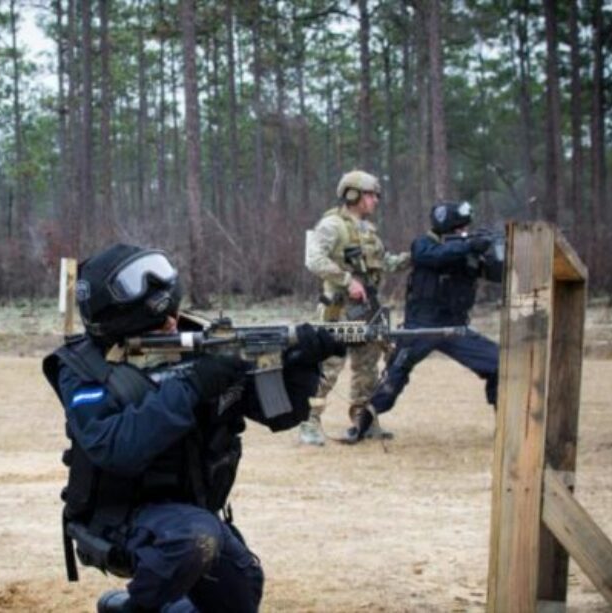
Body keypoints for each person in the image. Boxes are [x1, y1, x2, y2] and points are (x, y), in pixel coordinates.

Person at [42, 244, 344, 613]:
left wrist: (301, 364)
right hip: (120, 518)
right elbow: (116, 447)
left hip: (191, 516)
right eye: (160, 323)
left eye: (174, 314)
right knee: (194, 537)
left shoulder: (202, 345)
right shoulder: (83, 369)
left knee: (241, 585)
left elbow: (277, 414)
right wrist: (193, 386)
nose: (173, 326)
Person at [344, 201, 501, 443]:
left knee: (499, 365)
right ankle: (361, 426)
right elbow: (431, 256)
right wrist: (469, 244)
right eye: (459, 230)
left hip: (453, 328)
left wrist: (497, 252)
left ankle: (506, 427)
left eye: (465, 230)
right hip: (421, 327)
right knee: (395, 376)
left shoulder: (467, 252)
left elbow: (496, 273)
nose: (463, 234)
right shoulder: (425, 245)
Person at [301, 170, 410, 446]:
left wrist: (413, 258)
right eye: (371, 195)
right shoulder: (332, 225)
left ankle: (365, 420)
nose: (375, 200)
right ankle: (308, 422)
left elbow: (384, 262)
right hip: (339, 310)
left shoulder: (368, 230)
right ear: (353, 195)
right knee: (329, 367)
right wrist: (347, 280)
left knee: (368, 367)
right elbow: (314, 260)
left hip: (367, 308)